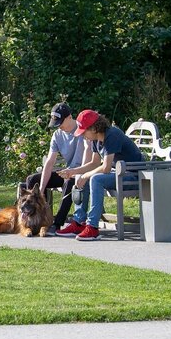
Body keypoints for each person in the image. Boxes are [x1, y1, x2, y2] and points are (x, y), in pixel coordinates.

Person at [55, 109, 143, 241]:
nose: (83, 135)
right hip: (119, 174)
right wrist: (73, 172)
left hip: (133, 176)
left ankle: (92, 227)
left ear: (94, 128)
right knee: (84, 177)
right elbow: (94, 163)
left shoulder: (112, 135)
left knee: (95, 178)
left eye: (84, 131)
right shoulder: (95, 140)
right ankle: (79, 222)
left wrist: (86, 176)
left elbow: (106, 168)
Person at [22, 102, 91, 232]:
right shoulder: (57, 135)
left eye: (61, 122)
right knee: (33, 180)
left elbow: (89, 159)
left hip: (81, 172)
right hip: (68, 171)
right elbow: (49, 162)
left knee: (69, 182)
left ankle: (57, 223)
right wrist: (40, 190)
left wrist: (74, 172)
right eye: (56, 123)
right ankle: (40, 218)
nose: (59, 127)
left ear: (70, 117)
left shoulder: (83, 130)